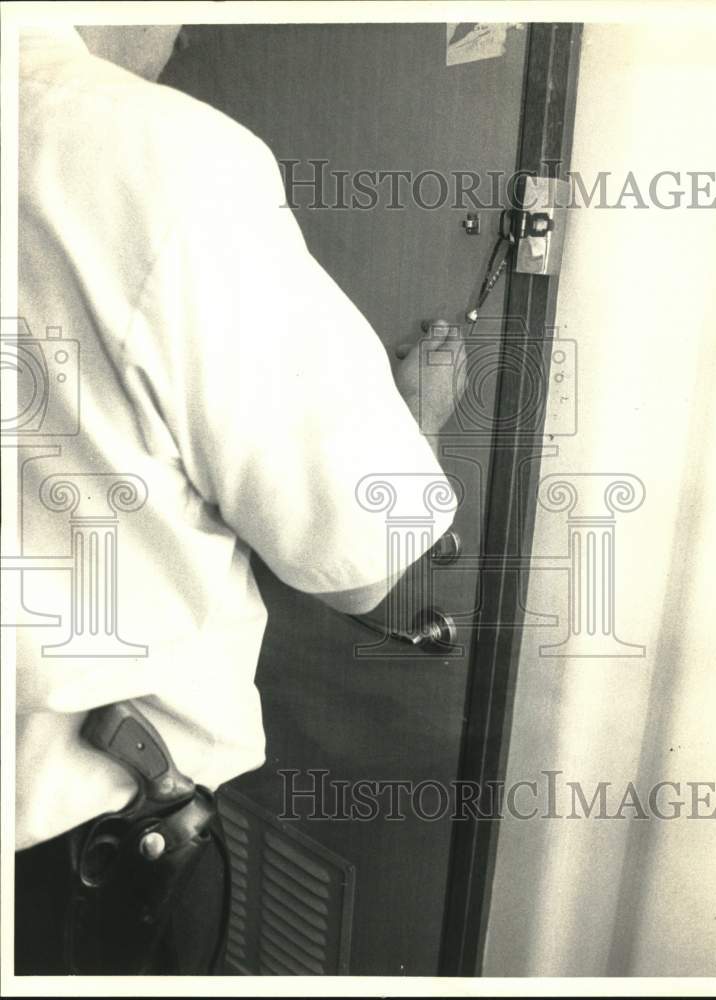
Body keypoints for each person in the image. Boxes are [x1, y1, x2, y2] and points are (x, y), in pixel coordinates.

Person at [13, 24, 464, 974]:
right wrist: (413, 425)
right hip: (89, 869)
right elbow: (369, 559)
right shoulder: (167, 159)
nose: (187, 32)